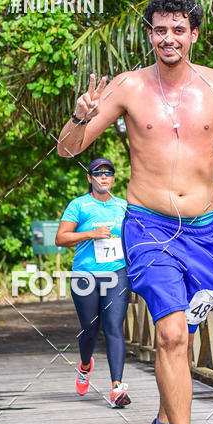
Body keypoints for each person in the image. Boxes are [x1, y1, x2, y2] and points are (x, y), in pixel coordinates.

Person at [57, 0, 213, 424]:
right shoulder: (128, 88)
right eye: (160, 29)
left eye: (179, 29)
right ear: (150, 34)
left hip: (205, 236)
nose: (169, 37)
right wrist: (80, 115)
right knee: (170, 334)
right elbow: (69, 149)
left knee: (182, 341)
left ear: (193, 34)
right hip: (148, 227)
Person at [55, 157, 132, 408]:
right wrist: (91, 233)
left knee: (114, 327)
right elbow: (61, 238)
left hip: (117, 273)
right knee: (90, 329)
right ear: (89, 178)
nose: (103, 177)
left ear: (113, 178)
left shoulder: (123, 206)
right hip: (85, 275)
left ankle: (117, 388)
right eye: (98, 173)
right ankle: (85, 364)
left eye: (108, 173)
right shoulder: (79, 205)